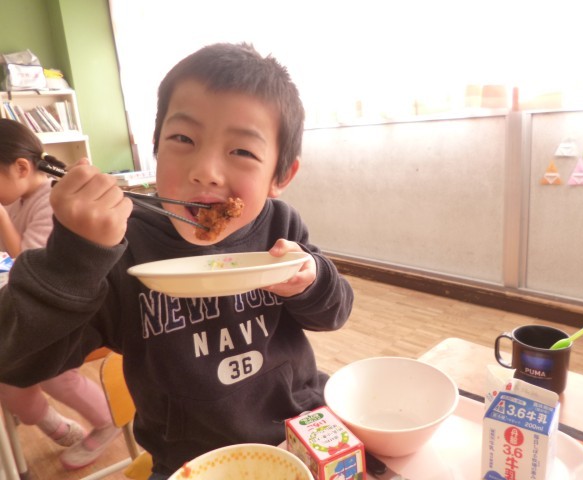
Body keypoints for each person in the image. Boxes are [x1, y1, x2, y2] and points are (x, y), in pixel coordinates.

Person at [0, 43, 354, 479]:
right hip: (191, 462)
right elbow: (17, 361)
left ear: (280, 175)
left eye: (242, 151)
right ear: (155, 146)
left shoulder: (280, 227)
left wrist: (311, 279)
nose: (205, 170)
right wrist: (74, 258)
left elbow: (334, 313)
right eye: (183, 139)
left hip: (301, 434)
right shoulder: (117, 245)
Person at [0, 118, 120, 470]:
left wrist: (2, 219)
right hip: (43, 305)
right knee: (10, 376)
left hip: (75, 310)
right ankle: (54, 425)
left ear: (21, 168)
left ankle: (108, 420)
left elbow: (29, 264)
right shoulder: (17, 197)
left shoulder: (49, 202)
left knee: (54, 374)